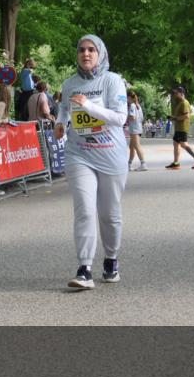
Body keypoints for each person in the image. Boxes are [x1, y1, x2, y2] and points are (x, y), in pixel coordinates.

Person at [54, 34, 129, 290]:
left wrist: (89, 107)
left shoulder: (113, 81)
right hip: (79, 153)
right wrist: (60, 123)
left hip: (111, 154)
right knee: (85, 209)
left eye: (91, 50)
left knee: (109, 214)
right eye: (81, 50)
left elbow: (120, 118)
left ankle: (111, 260)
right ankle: (84, 268)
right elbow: (64, 108)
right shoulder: (69, 84)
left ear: (100, 54)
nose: (86, 54)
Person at [165, 87, 194, 170]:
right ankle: (176, 163)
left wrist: (176, 118)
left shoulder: (185, 103)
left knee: (183, 144)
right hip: (178, 128)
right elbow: (180, 115)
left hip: (182, 128)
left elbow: (187, 116)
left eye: (177, 93)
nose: (175, 95)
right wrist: (173, 117)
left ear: (182, 93)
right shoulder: (180, 103)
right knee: (176, 143)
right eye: (175, 93)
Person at [126, 90, 147, 171]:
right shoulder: (138, 105)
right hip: (137, 127)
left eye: (127, 98)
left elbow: (132, 117)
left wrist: (126, 117)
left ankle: (143, 164)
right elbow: (141, 118)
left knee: (137, 146)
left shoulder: (132, 105)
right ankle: (129, 164)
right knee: (132, 147)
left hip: (134, 129)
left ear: (129, 97)